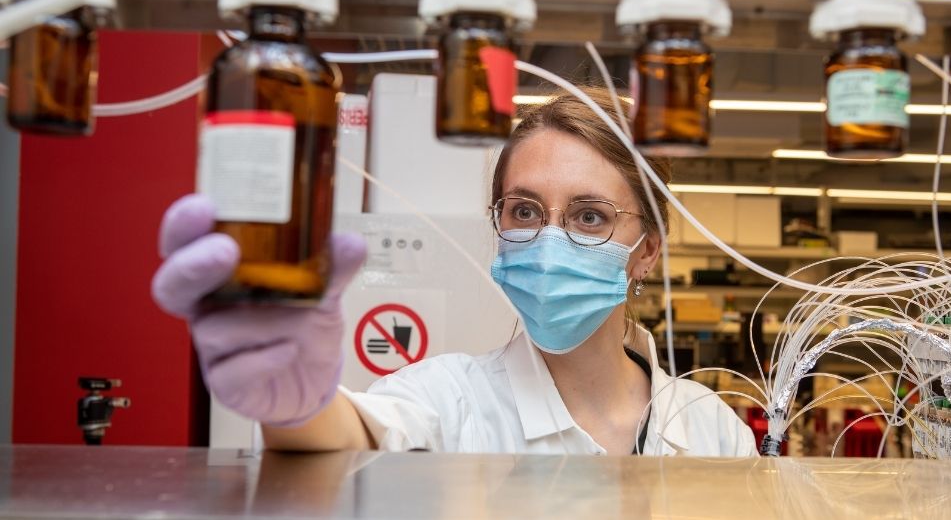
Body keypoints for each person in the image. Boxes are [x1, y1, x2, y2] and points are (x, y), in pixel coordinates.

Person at [152, 88, 758, 457]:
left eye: (589, 216)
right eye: (524, 210)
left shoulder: (712, 431)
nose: (548, 240)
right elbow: (346, 437)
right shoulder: (447, 400)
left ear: (647, 249)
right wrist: (293, 406)